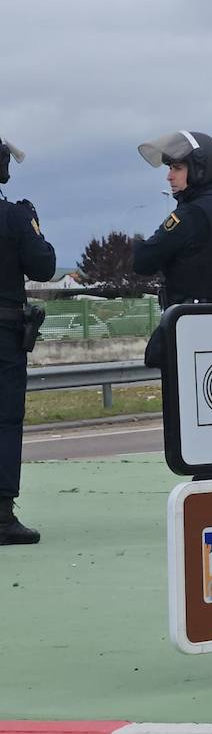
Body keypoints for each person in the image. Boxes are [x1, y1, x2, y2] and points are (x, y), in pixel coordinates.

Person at [132, 131, 212, 368]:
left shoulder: (190, 214)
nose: (169, 176)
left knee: (182, 401)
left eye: (177, 168)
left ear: (199, 169)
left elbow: (143, 262)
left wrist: (138, 244)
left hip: (189, 328)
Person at [0, 134, 56, 546]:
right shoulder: (14, 217)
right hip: (3, 334)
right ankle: (1, 517)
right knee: (4, 419)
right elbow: (45, 265)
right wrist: (33, 225)